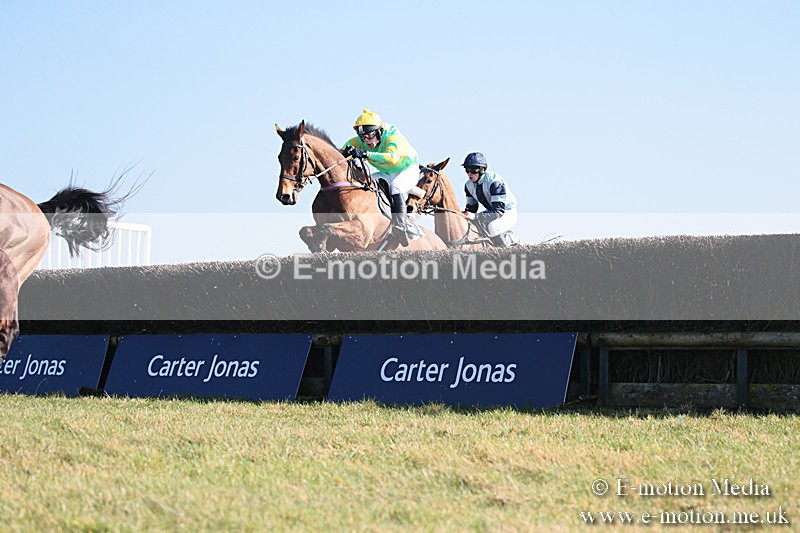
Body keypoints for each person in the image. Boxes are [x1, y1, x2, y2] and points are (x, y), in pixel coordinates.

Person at [341, 109, 420, 246]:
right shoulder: (361, 140)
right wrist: (344, 152)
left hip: (407, 169)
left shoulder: (392, 136)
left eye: (370, 136)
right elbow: (339, 152)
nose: (367, 140)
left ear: (379, 131)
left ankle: (401, 226)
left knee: (396, 186)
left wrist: (365, 154)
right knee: (367, 183)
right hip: (386, 172)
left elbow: (392, 159)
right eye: (363, 137)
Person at [461, 152, 520, 247]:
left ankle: (507, 253)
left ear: (482, 170)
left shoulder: (494, 182)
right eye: (467, 170)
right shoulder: (468, 185)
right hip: (492, 211)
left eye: (473, 170)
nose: (469, 173)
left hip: (506, 212)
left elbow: (498, 212)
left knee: (492, 227)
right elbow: (471, 209)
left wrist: (476, 216)